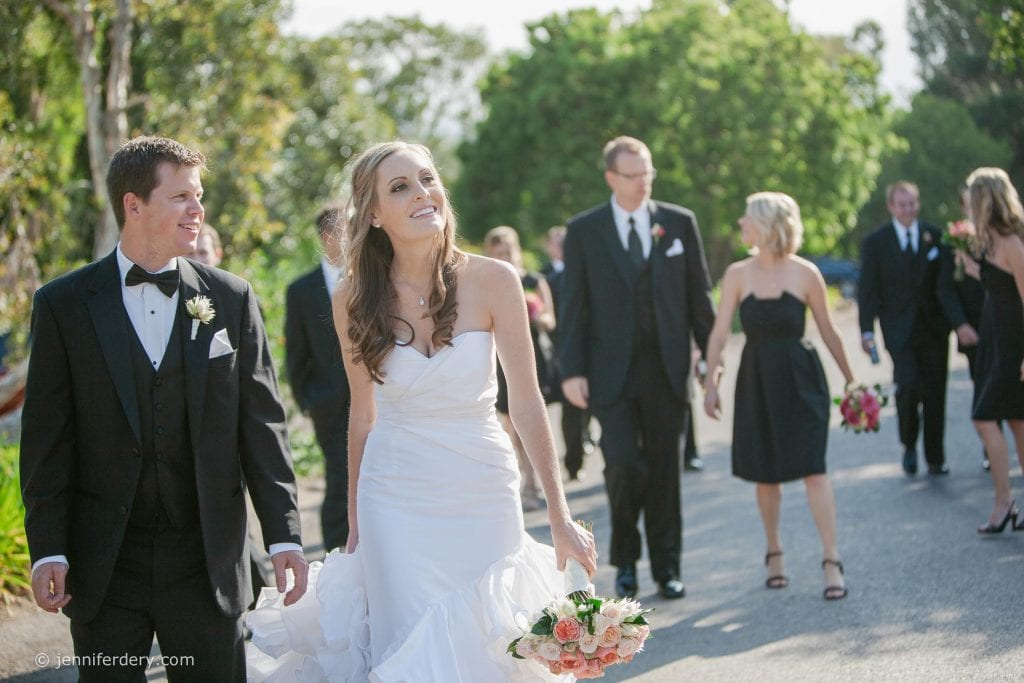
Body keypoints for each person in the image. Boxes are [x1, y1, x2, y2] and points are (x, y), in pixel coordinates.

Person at [246, 141, 597, 681]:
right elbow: (362, 414)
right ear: (374, 215)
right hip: (395, 497)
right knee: (410, 642)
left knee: (493, 640)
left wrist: (559, 512)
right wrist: (357, 523)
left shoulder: (495, 280)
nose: (422, 194)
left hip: (483, 484)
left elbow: (526, 403)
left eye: (427, 179)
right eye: (399, 187)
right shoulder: (351, 298)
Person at [19, 136, 308, 681]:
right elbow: (46, 441)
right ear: (134, 205)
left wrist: (284, 534)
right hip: (104, 563)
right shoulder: (63, 305)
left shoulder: (232, 298)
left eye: (198, 196)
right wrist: (48, 549)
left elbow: (262, 426)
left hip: (207, 561)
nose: (198, 210)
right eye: (181, 197)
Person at [559, 135, 715, 600]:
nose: (643, 181)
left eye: (648, 171)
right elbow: (573, 307)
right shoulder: (585, 230)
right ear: (611, 177)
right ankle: (625, 564)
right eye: (633, 174)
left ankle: (668, 567)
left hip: (668, 372)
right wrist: (571, 370)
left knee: (667, 470)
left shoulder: (679, 223)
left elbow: (698, 298)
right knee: (623, 466)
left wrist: (711, 356)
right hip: (611, 374)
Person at [703, 192, 854, 600]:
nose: (741, 223)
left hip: (802, 380)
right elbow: (719, 333)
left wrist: (852, 382)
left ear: (766, 224)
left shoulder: (806, 274)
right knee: (766, 474)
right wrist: (711, 383)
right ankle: (774, 552)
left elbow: (828, 330)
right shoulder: (736, 274)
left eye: (747, 218)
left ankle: (831, 559)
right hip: (756, 381)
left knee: (814, 469)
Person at [858, 181, 955, 476]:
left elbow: (947, 285)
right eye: (901, 205)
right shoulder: (876, 242)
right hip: (898, 331)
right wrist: (867, 331)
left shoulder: (935, 236)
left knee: (936, 392)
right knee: (908, 387)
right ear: (891, 207)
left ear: (918, 203)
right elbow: (868, 290)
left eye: (911, 203)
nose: (907, 209)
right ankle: (909, 445)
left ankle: (936, 457)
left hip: (935, 330)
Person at [960, 168, 1024, 534]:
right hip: (993, 339)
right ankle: (1008, 503)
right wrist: (972, 269)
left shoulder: (1012, 242)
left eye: (972, 197)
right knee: (1017, 421)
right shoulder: (989, 242)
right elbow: (998, 289)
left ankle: (1004, 501)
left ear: (986, 200)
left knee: (985, 419)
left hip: (1013, 344)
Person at [286, 207, 352, 550]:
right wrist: (308, 401)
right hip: (329, 404)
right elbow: (296, 353)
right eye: (346, 230)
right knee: (339, 478)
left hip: (376, 399)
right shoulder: (301, 290)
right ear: (328, 237)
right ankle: (337, 555)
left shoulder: (369, 278)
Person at [483, 225, 556, 511]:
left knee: (532, 418)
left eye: (508, 251)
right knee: (510, 424)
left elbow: (551, 319)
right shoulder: (488, 284)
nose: (505, 256)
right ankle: (522, 478)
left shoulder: (534, 281)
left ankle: (534, 481)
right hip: (499, 358)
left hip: (533, 354)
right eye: (498, 252)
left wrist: (536, 313)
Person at [936, 188, 988, 470]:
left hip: (1004, 324)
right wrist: (960, 324)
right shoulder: (954, 240)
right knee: (983, 391)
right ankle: (990, 447)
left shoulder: (1005, 236)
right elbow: (946, 288)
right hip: (973, 329)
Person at [541, 225, 595, 481]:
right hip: (562, 349)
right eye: (557, 241)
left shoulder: (589, 269)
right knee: (571, 408)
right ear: (550, 246)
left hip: (594, 347)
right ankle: (574, 462)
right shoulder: (542, 279)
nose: (562, 245)